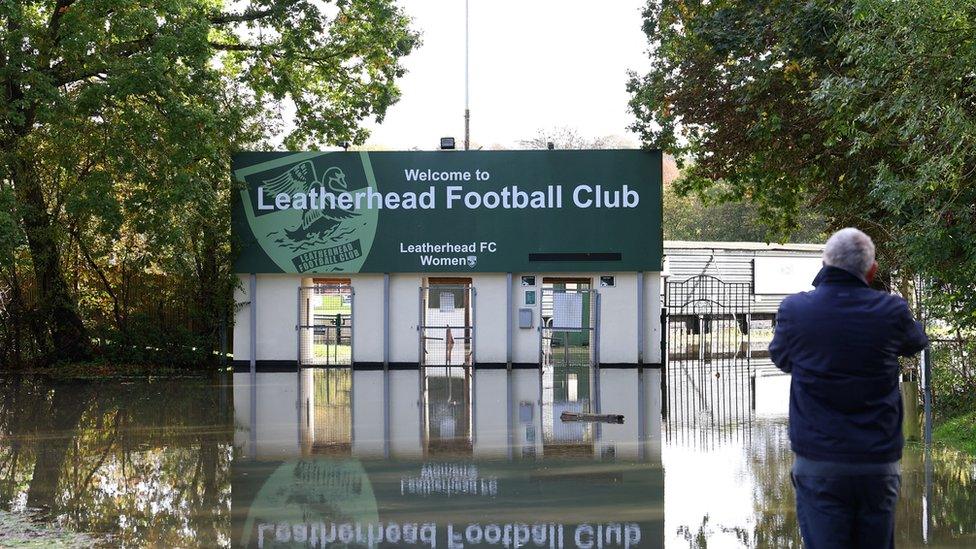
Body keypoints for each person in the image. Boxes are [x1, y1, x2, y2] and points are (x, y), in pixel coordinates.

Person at [769, 227, 928, 548]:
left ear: (825, 262)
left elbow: (782, 359)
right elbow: (916, 342)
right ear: (872, 270)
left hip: (819, 464)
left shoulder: (796, 311)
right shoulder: (891, 311)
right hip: (876, 464)